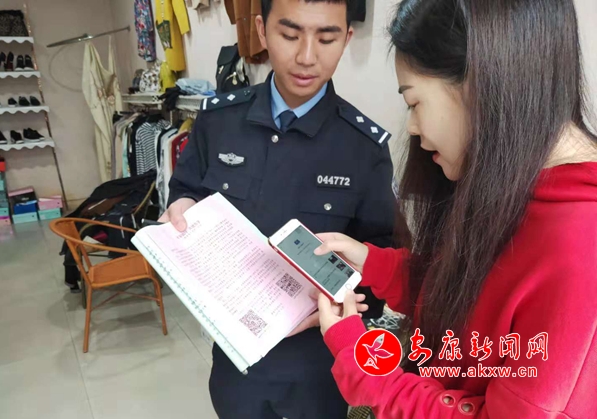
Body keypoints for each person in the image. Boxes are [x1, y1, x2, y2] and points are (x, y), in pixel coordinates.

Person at [312, 0, 597, 417]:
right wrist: (375, 265)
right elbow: (473, 300)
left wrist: (363, 363)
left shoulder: (579, 247)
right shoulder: (516, 182)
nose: (412, 128)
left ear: (481, 84)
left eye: (414, 103)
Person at [159, 0, 398, 417]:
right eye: (289, 35)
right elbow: (185, 190)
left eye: (326, 39)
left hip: (318, 365)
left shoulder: (363, 147)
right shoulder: (219, 121)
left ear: (346, 39)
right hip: (235, 360)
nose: (306, 56)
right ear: (261, 30)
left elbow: (379, 262)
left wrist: (340, 306)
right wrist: (180, 206)